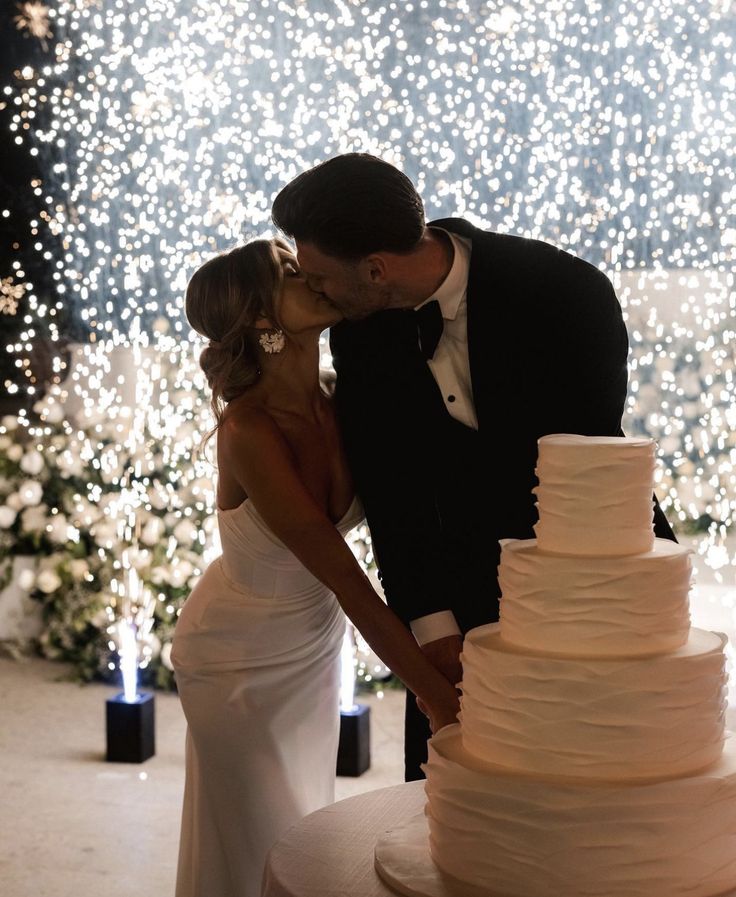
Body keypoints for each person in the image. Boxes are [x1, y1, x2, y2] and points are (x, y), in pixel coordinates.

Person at [271, 151, 677, 782]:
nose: (313, 288)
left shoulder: (565, 290)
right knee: (460, 809)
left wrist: (557, 607)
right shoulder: (359, 331)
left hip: (594, 574)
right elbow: (390, 482)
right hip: (453, 584)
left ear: (375, 269)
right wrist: (430, 619)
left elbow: (588, 456)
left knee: (602, 794)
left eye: (319, 275)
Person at [170, 237, 460, 897]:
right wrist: (434, 692)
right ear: (264, 319)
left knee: (301, 824)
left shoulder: (341, 398)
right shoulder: (249, 432)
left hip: (311, 647)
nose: (313, 276)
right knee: (257, 838)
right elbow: (345, 576)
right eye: (291, 274)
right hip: (235, 661)